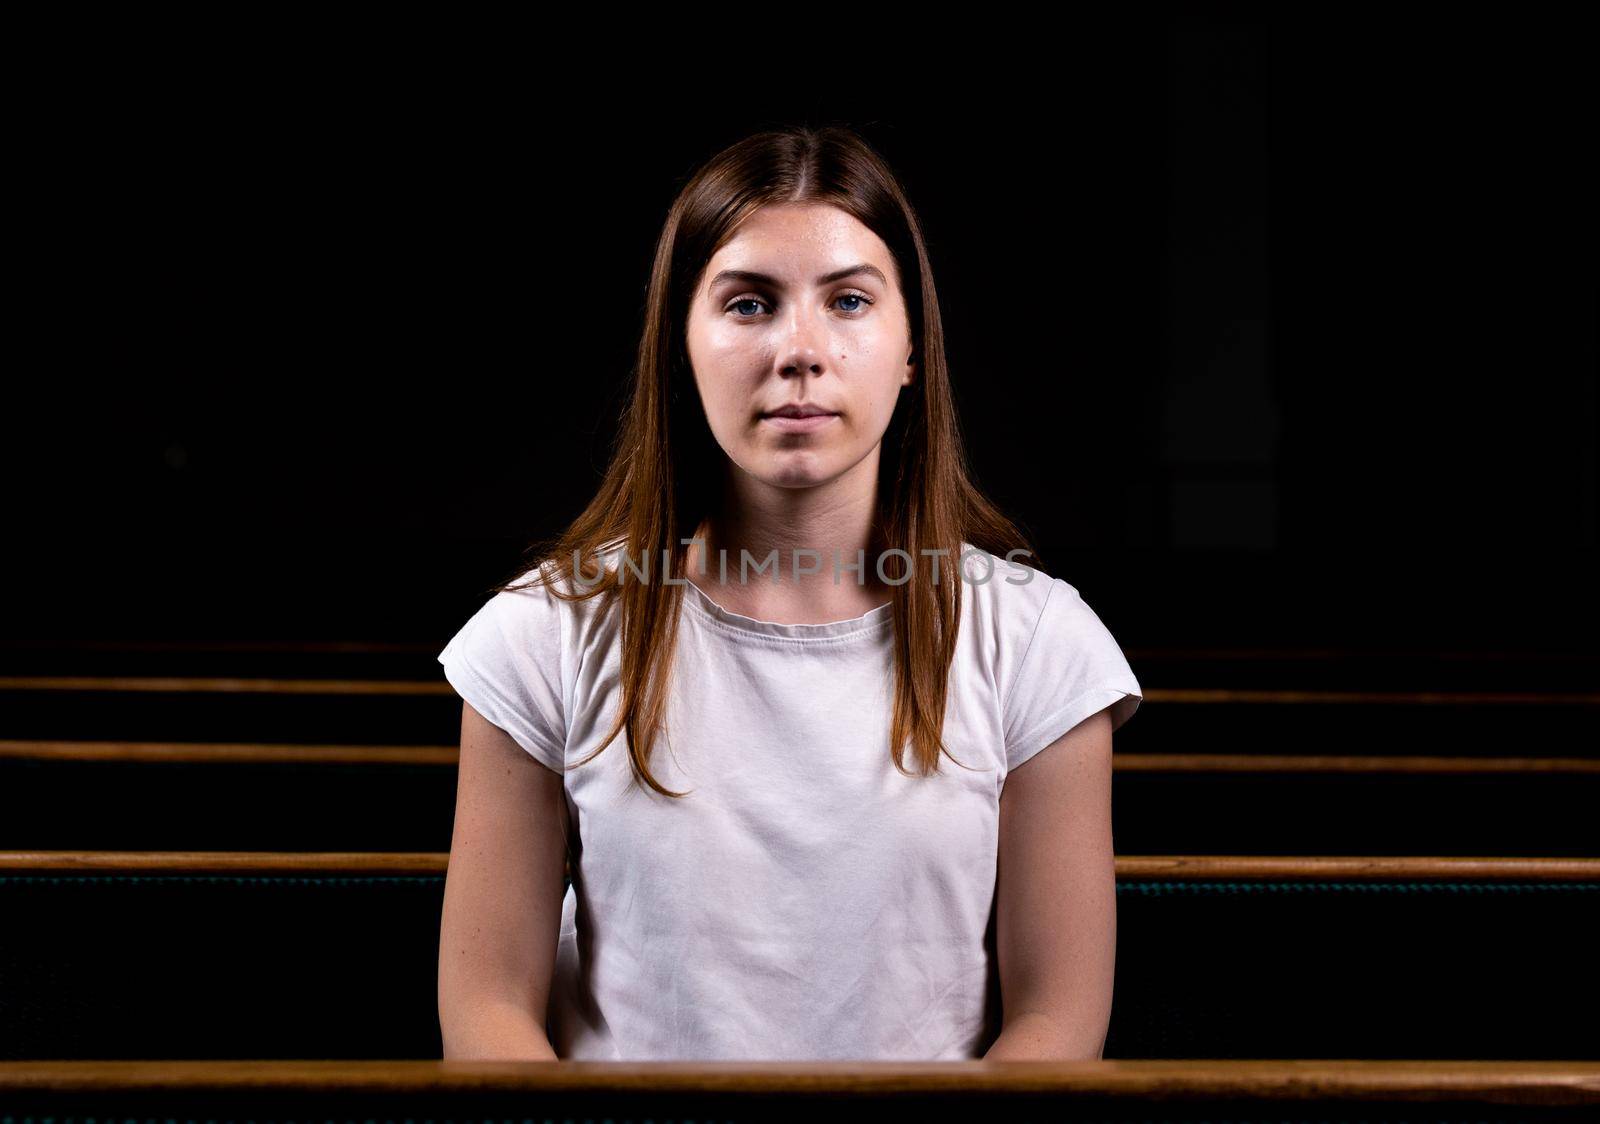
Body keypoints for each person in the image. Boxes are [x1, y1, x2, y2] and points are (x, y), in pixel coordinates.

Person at [435, 125, 1142, 1062]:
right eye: (749, 304)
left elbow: (1054, 1026)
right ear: (682, 348)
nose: (800, 350)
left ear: (910, 350)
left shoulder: (1038, 642)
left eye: (849, 300)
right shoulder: (544, 635)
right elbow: (488, 1014)